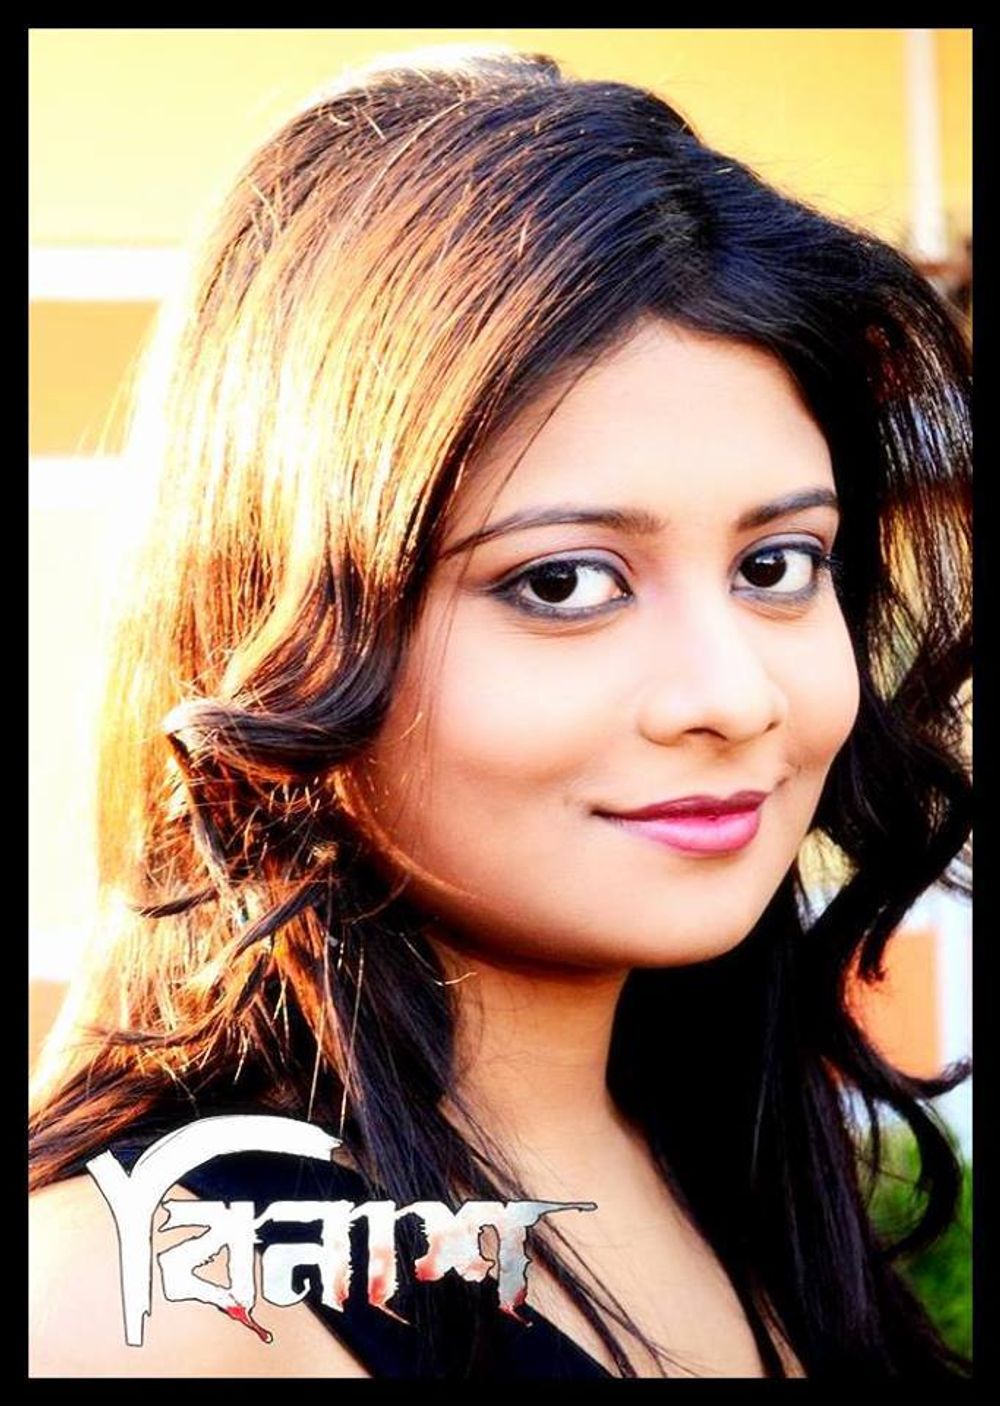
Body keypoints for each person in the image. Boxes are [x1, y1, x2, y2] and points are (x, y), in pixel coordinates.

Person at [28, 47, 972, 1379]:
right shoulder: (158, 1302)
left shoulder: (741, 1158)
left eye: (776, 565)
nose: (731, 694)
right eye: (563, 582)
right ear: (287, 632)